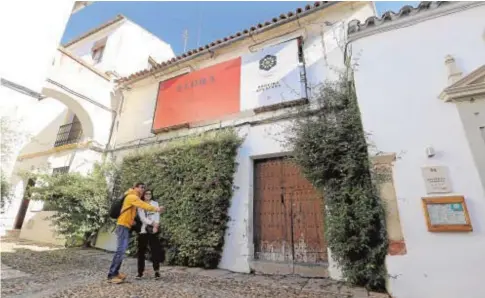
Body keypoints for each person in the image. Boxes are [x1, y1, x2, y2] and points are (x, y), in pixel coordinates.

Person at [107, 182, 164, 284]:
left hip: (125, 225)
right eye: (141, 187)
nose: (143, 189)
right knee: (120, 250)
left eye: (144, 188)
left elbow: (132, 211)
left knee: (122, 250)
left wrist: (132, 220)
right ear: (135, 187)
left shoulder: (132, 196)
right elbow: (142, 205)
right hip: (123, 226)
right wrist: (157, 209)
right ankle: (112, 275)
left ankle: (116, 273)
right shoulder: (132, 196)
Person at [136, 189, 164, 279]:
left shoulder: (155, 204)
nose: (148, 195)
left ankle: (157, 271)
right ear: (143, 195)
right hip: (143, 230)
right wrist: (152, 224)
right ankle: (140, 272)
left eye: (150, 193)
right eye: (146, 193)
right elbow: (142, 218)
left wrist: (156, 226)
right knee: (141, 252)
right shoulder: (140, 204)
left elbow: (157, 215)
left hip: (153, 230)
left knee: (155, 251)